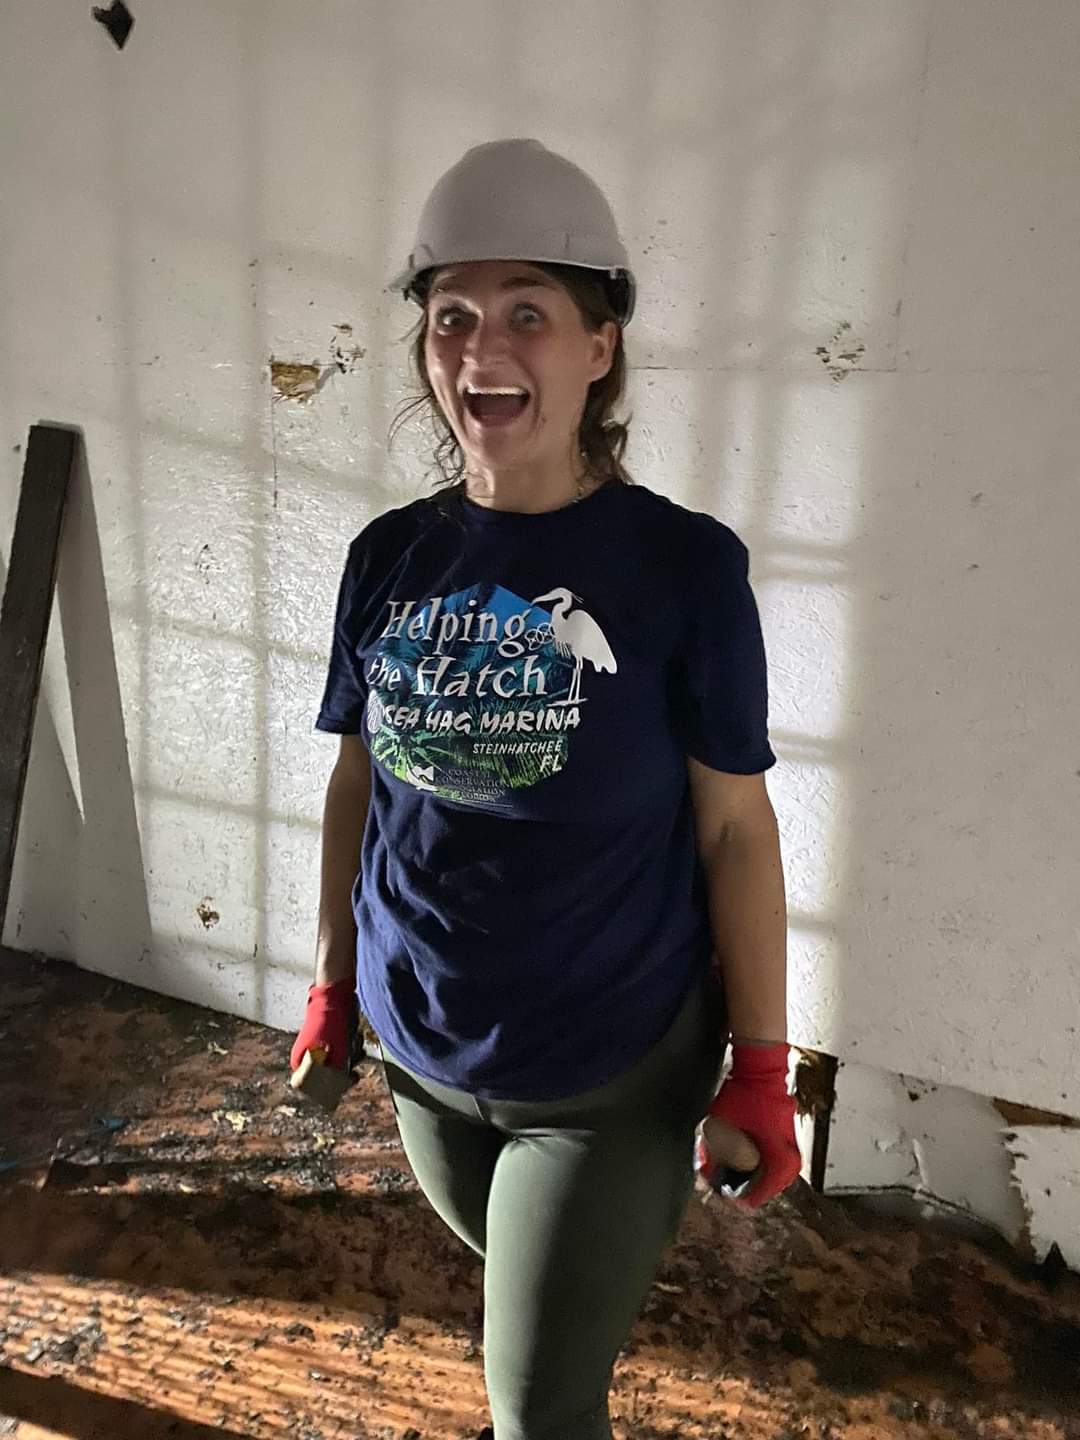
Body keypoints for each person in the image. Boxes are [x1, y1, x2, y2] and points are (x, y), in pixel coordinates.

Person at [291, 138, 801, 1440]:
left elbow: (735, 830)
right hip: (423, 1050)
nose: (482, 348)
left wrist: (761, 1063)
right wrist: (334, 983)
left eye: (528, 312)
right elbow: (358, 782)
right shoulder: (388, 556)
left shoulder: (682, 569)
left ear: (598, 347)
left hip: (606, 1067)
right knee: (525, 1292)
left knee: (538, 1408)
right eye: (452, 315)